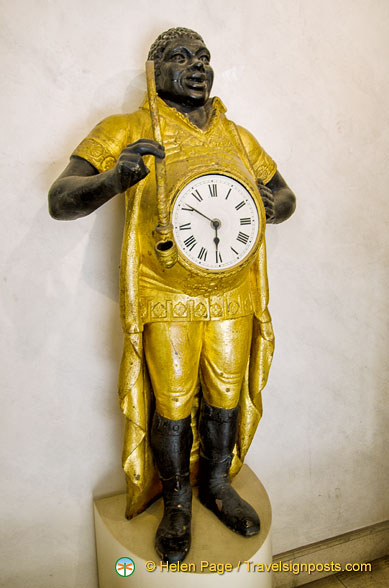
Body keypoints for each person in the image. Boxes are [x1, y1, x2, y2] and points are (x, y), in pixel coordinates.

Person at [49, 27, 296, 563]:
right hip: (165, 292)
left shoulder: (238, 137)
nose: (197, 65)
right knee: (174, 398)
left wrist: (276, 206)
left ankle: (216, 484)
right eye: (180, 57)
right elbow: (61, 200)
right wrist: (116, 177)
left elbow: (282, 191)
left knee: (226, 392)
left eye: (204, 56)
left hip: (233, 290)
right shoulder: (127, 128)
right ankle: (177, 502)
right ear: (153, 70)